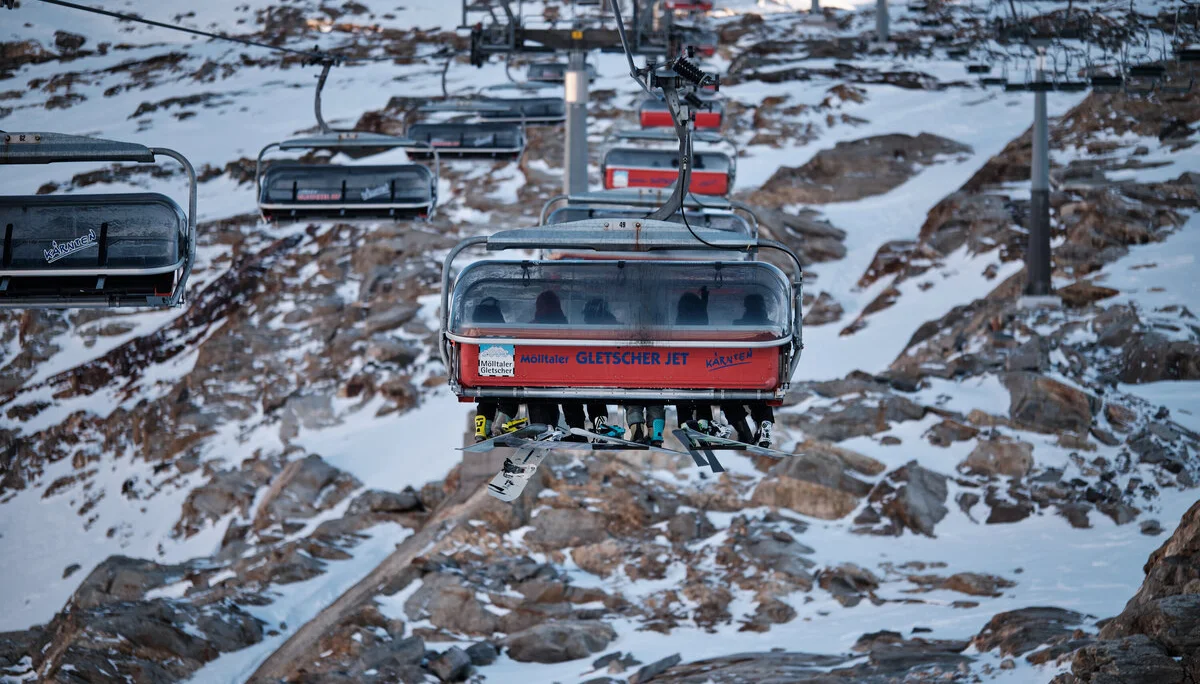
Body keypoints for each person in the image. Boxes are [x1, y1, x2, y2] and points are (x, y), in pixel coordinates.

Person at [527, 290, 587, 440]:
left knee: (537, 396)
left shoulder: (532, 326)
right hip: (564, 370)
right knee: (570, 396)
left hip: (539, 371)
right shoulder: (566, 325)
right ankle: (578, 429)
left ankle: (544, 429)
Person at [721, 293, 775, 448]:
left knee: (728, 401)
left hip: (739, 374)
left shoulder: (737, 325)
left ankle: (744, 432)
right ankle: (764, 426)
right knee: (761, 402)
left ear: (745, 306)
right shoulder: (772, 327)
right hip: (762, 377)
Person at [470, 297, 521, 441]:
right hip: (503, 363)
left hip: (481, 370)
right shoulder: (497, 323)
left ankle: (481, 429)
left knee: (485, 396)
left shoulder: (474, 325)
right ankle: (502, 422)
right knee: (510, 392)